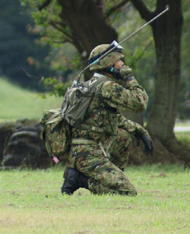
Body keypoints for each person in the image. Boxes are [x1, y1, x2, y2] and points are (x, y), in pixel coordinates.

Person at [61, 43, 155, 196]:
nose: (123, 64)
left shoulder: (93, 84)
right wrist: (129, 78)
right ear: (108, 63)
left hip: (84, 151)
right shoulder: (107, 86)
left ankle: (110, 177)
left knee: (123, 136)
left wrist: (138, 130)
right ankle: (79, 180)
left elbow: (108, 118)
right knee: (127, 193)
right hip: (88, 154)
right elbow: (140, 102)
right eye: (119, 60)